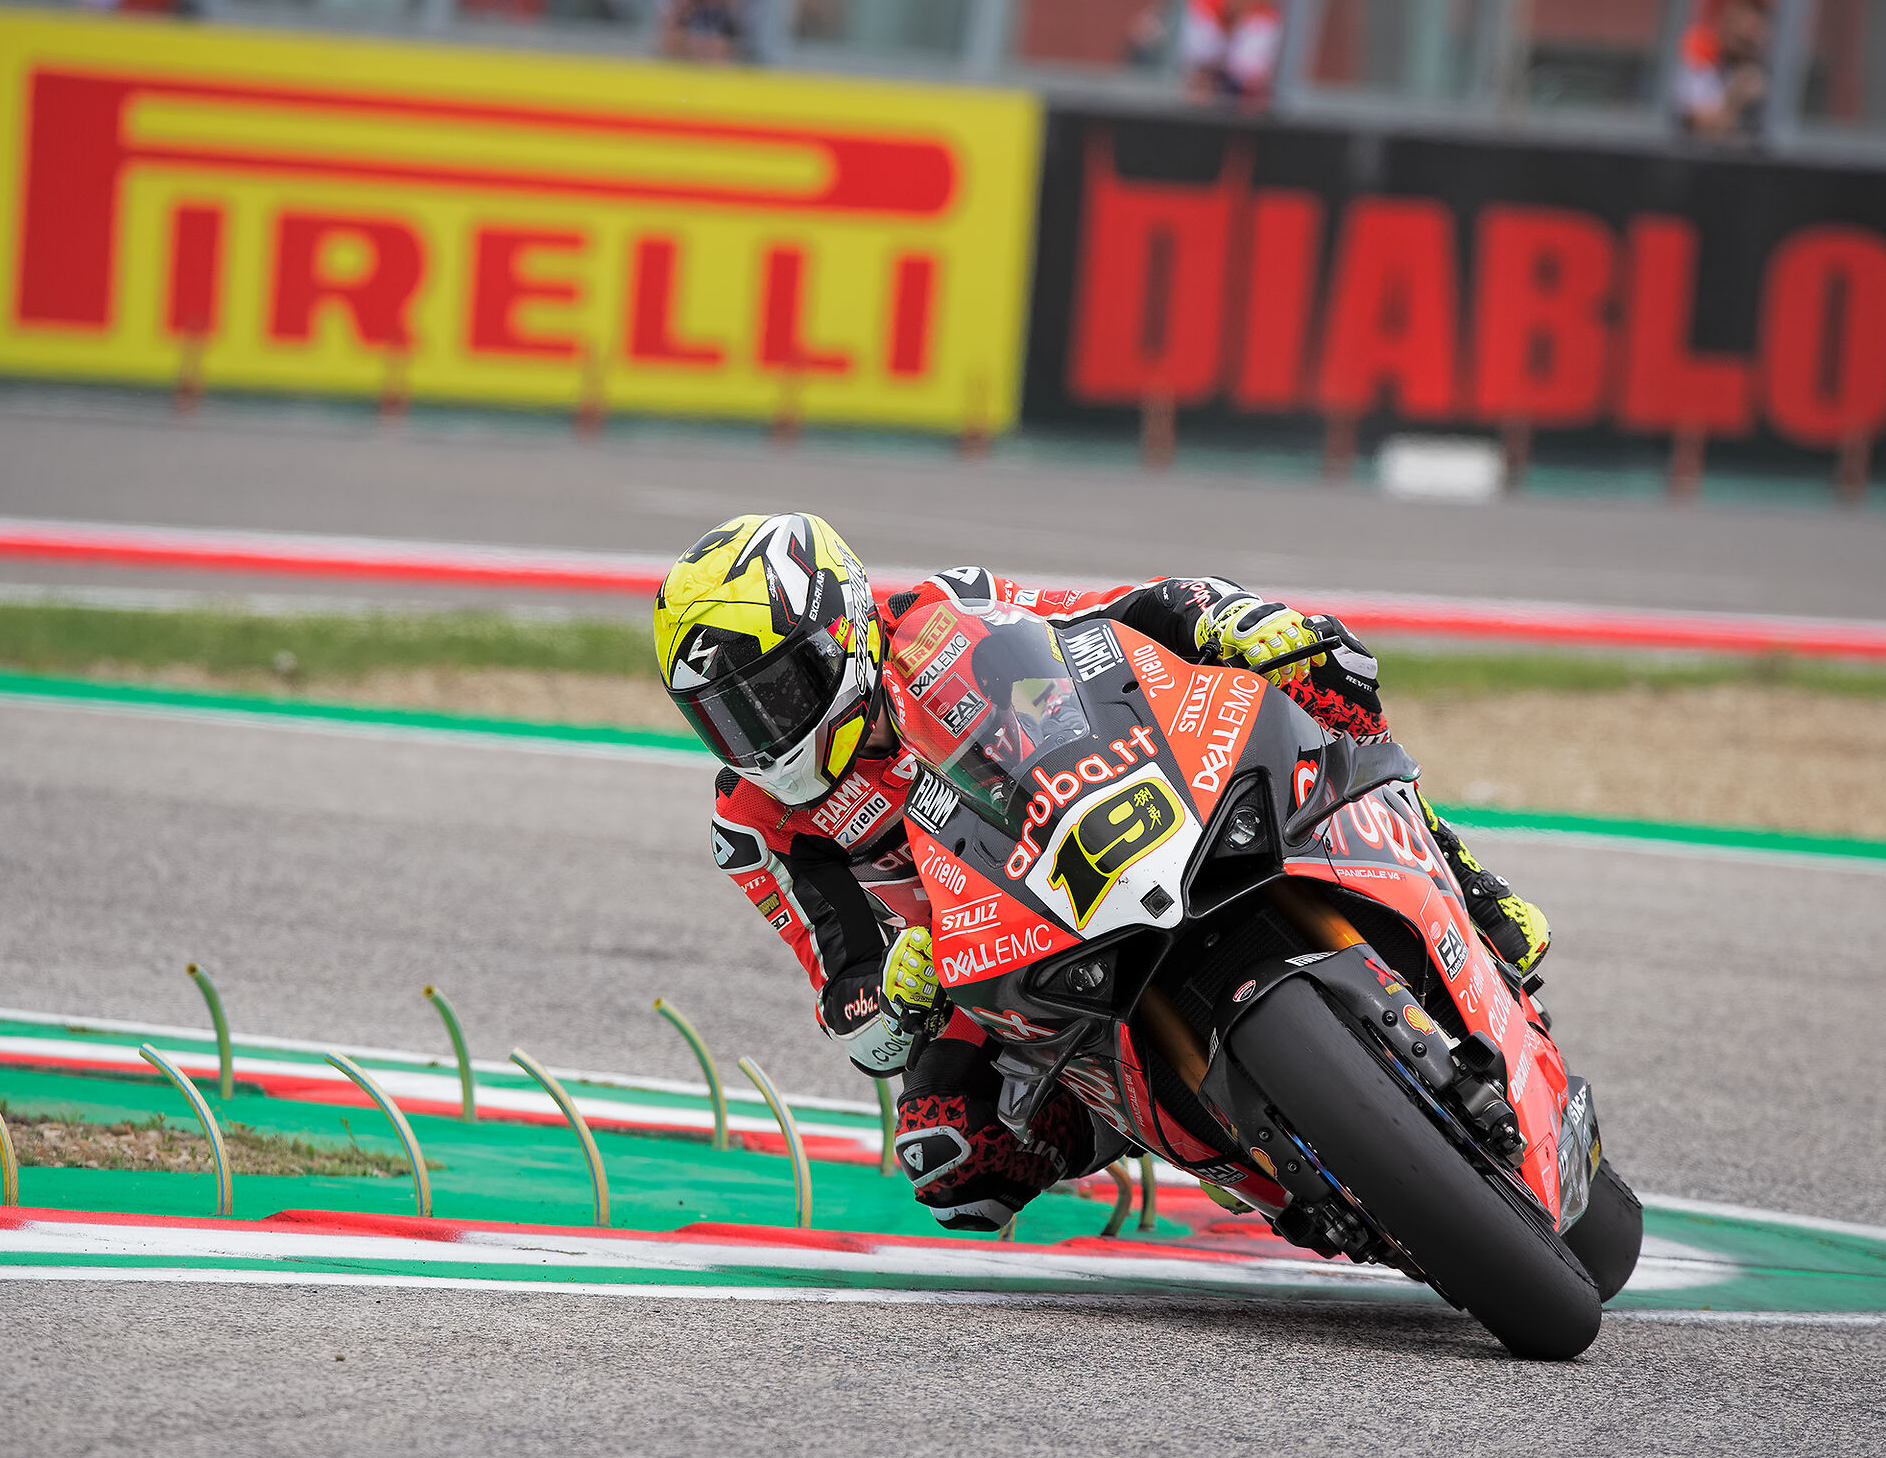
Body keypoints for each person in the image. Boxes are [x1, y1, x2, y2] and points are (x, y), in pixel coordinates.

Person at [655, 514, 1550, 1231]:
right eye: (726, 719)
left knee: (1309, 665)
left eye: (774, 694)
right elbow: (851, 1010)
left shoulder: (943, 614)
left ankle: (1464, 878)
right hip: (990, 963)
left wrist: (1222, 620)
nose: (762, 736)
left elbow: (1116, 619)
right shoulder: (755, 825)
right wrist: (894, 988)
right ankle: (1135, 1119)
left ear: (838, 634)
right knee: (949, 1155)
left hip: (1104, 812)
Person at [1675, 0, 1772, 138]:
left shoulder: (1761, 70)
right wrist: (1736, 98)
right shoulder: (1700, 59)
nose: (1746, 46)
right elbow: (1702, 127)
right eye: (1740, 38)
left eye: (1752, 40)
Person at [1180, 0, 1282, 109]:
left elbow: (1251, 78)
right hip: (1193, 92)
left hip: (1237, 100)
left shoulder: (1264, 19)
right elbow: (1194, 66)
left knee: (1253, 99)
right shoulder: (1200, 7)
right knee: (1198, 90)